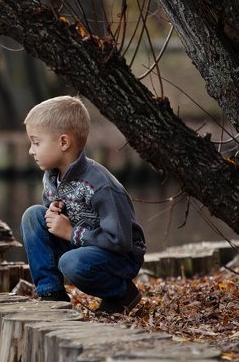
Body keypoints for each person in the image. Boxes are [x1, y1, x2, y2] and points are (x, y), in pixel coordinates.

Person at [20, 96, 146, 314]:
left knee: (71, 262)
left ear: (63, 143)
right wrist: (53, 214)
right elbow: (52, 222)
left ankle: (122, 294)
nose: (31, 150)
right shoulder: (51, 177)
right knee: (33, 216)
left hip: (119, 257)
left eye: (36, 142)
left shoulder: (99, 185)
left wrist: (70, 233)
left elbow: (120, 241)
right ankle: (52, 294)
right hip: (83, 247)